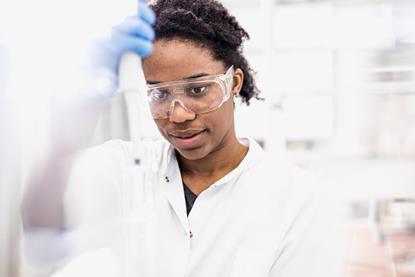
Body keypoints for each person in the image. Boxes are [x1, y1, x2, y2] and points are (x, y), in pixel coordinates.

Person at [55, 0, 345, 276]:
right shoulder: (126, 169)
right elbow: (40, 210)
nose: (178, 115)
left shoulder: (297, 199)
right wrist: (85, 94)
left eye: (197, 90)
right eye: (160, 93)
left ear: (234, 83)